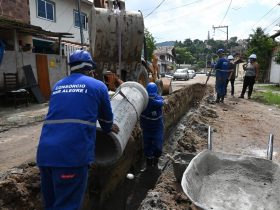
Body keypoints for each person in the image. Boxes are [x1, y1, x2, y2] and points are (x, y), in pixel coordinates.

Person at [36, 50, 119, 210]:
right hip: (71, 156)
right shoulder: (98, 86)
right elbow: (107, 119)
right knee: (67, 205)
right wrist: (109, 127)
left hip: (45, 155)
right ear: (90, 69)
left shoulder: (58, 85)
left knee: (51, 204)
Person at [140, 82, 164, 171]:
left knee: (158, 147)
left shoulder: (158, 100)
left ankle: (156, 162)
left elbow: (162, 102)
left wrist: (151, 101)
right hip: (146, 128)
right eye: (149, 95)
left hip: (157, 128)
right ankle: (149, 166)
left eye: (152, 95)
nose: (151, 97)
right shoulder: (142, 101)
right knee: (147, 147)